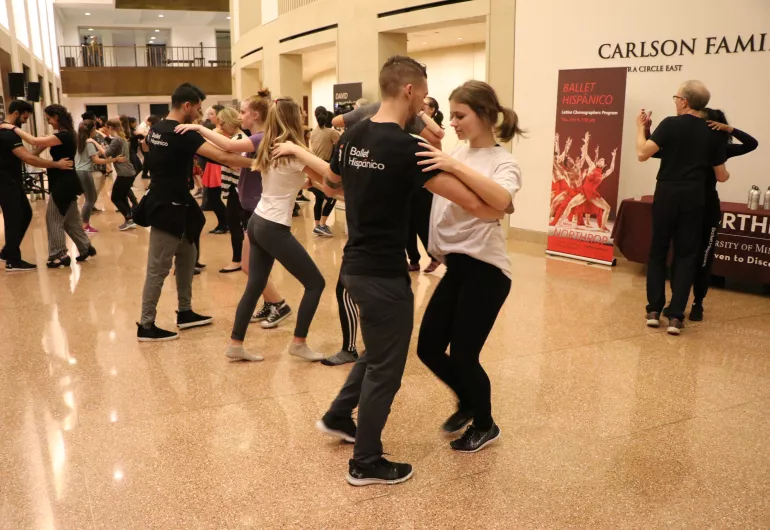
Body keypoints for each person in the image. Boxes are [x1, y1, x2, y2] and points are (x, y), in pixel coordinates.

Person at [274, 56, 507, 486]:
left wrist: (301, 154)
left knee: (375, 350)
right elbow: (475, 203)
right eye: (423, 94)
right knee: (386, 367)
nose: (425, 105)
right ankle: (365, 462)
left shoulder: (354, 134)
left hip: (355, 267)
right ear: (409, 91)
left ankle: (340, 414)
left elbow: (333, 183)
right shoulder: (406, 148)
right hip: (382, 274)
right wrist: (501, 206)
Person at [416, 80, 522, 452]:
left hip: (487, 271)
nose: (454, 123)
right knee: (428, 348)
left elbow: (502, 199)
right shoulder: (457, 153)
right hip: (457, 268)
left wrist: (452, 165)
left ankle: (485, 423)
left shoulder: (502, 161)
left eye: (460, 115)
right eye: (454, 115)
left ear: (484, 115)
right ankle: (467, 399)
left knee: (463, 355)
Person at [136, 83, 255, 342]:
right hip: (167, 206)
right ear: (187, 106)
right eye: (198, 109)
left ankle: (185, 311)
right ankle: (146, 325)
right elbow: (226, 158)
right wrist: (260, 163)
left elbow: (151, 153)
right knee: (158, 268)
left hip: (180, 203)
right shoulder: (183, 133)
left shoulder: (156, 129)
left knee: (187, 255)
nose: (199, 115)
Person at [219, 97, 328, 363]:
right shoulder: (292, 151)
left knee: (255, 284)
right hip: (273, 226)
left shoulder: (271, 146)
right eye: (301, 114)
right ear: (294, 118)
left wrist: (308, 184)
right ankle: (299, 343)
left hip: (258, 222)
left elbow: (290, 182)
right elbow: (329, 176)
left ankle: (235, 344)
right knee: (315, 283)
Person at [175, 90, 293, 328]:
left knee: (251, 267)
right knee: (252, 266)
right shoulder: (255, 137)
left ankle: (279, 304)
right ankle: (272, 303)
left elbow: (228, 146)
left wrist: (199, 129)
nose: (240, 116)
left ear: (255, 114)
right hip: (253, 209)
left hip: (260, 211)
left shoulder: (260, 138)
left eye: (243, 111)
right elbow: (229, 151)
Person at [636, 80, 729, 335]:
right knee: (687, 254)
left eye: (676, 97)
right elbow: (721, 176)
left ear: (684, 102)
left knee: (658, 249)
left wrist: (639, 128)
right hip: (695, 198)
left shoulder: (670, 124)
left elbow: (642, 153)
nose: (675, 101)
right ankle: (676, 316)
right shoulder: (713, 132)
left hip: (667, 194)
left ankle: (654, 310)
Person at [3, 104, 97, 268]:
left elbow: (32, 140)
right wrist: (38, 149)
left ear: (57, 118)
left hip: (63, 182)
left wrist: (12, 128)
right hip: (64, 181)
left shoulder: (65, 135)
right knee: (71, 220)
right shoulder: (61, 136)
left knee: (53, 218)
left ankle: (58, 255)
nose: (48, 122)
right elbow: (31, 155)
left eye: (48, 119)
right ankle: (85, 247)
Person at [75, 119, 127, 234]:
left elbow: (92, 155)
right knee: (91, 199)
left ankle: (83, 223)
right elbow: (97, 161)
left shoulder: (81, 141)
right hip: (84, 172)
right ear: (92, 130)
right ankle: (84, 225)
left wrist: (96, 146)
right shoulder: (89, 143)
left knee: (90, 198)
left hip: (79, 171)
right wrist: (114, 159)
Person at [309, 107, 340, 237]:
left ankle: (317, 226)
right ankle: (322, 224)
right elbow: (341, 146)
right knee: (332, 196)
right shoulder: (331, 133)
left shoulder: (313, 132)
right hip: (325, 167)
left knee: (319, 198)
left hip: (313, 166)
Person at [104, 118, 137, 231]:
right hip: (128, 172)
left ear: (110, 127)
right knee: (122, 197)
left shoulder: (116, 140)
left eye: (107, 128)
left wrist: (96, 144)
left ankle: (129, 218)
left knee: (115, 198)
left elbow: (106, 154)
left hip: (124, 173)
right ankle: (130, 218)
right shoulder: (121, 138)